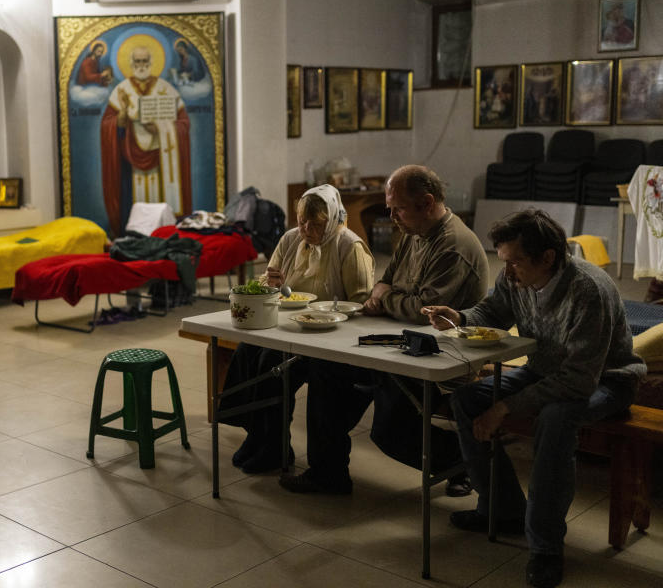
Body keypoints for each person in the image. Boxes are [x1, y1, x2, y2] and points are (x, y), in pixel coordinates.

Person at [424, 209, 645, 588]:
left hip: (606, 379)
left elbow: (578, 380)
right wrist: (459, 318)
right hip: (546, 369)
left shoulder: (588, 289)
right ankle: (502, 509)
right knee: (465, 400)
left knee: (555, 419)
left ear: (548, 257)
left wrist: (505, 407)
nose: (507, 273)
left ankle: (545, 548)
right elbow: (493, 311)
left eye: (515, 263)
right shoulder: (517, 274)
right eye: (505, 262)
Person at [280, 165, 489, 495]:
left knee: (389, 431)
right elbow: (384, 280)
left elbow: (423, 312)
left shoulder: (453, 245)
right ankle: (327, 472)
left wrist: (387, 296)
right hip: (394, 340)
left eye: (398, 208)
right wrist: (388, 294)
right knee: (325, 368)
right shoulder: (413, 232)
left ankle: (464, 459)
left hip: (439, 354)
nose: (392, 216)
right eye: (390, 208)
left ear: (427, 202)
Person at [220, 184, 375, 474]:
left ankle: (276, 447)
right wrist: (273, 284)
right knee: (245, 352)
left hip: (328, 336)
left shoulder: (348, 246)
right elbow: (268, 282)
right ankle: (258, 435)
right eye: (301, 221)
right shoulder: (291, 239)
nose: (305, 229)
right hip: (286, 327)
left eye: (314, 224)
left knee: (271, 364)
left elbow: (362, 304)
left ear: (330, 220)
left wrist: (329, 314)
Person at [100, 45, 191, 235]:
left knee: (161, 208)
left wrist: (160, 128)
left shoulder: (166, 89)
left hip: (162, 160)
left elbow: (183, 123)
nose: (141, 65)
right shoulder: (121, 91)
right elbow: (108, 124)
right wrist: (122, 117)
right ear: (132, 64)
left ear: (151, 63)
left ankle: (164, 235)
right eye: (138, 61)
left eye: (144, 61)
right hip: (131, 162)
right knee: (135, 204)